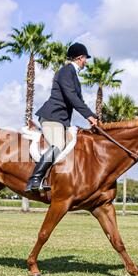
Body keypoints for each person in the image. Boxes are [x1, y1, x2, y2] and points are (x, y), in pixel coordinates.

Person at [25, 42, 99, 192]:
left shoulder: (73, 74)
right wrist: (88, 116)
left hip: (61, 120)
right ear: (80, 58)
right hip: (52, 117)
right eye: (85, 58)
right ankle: (34, 180)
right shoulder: (66, 71)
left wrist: (92, 116)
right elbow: (71, 96)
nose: (86, 61)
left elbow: (79, 100)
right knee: (58, 144)